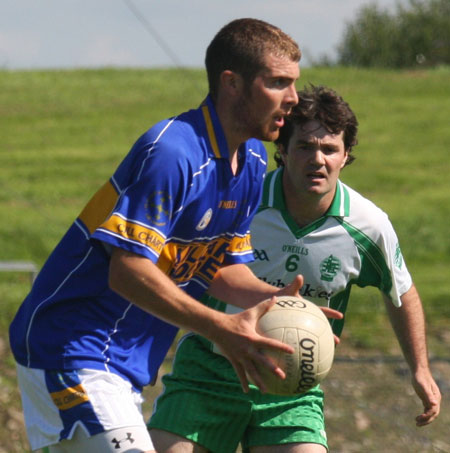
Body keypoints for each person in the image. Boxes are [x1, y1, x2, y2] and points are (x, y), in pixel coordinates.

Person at [7, 18, 326, 453]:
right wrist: (220, 327)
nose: (293, 98)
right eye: (278, 82)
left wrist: (278, 303)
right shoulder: (173, 152)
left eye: (294, 83)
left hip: (123, 367)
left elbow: (222, 267)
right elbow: (127, 272)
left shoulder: (251, 160)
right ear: (231, 84)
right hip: (71, 348)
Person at [148, 85, 441, 453]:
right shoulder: (242, 201)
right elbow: (183, 262)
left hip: (292, 382)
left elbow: (401, 291)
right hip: (210, 368)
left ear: (346, 155)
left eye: (329, 149)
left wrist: (420, 368)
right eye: (304, 146)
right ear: (282, 151)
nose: (317, 159)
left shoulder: (369, 226)